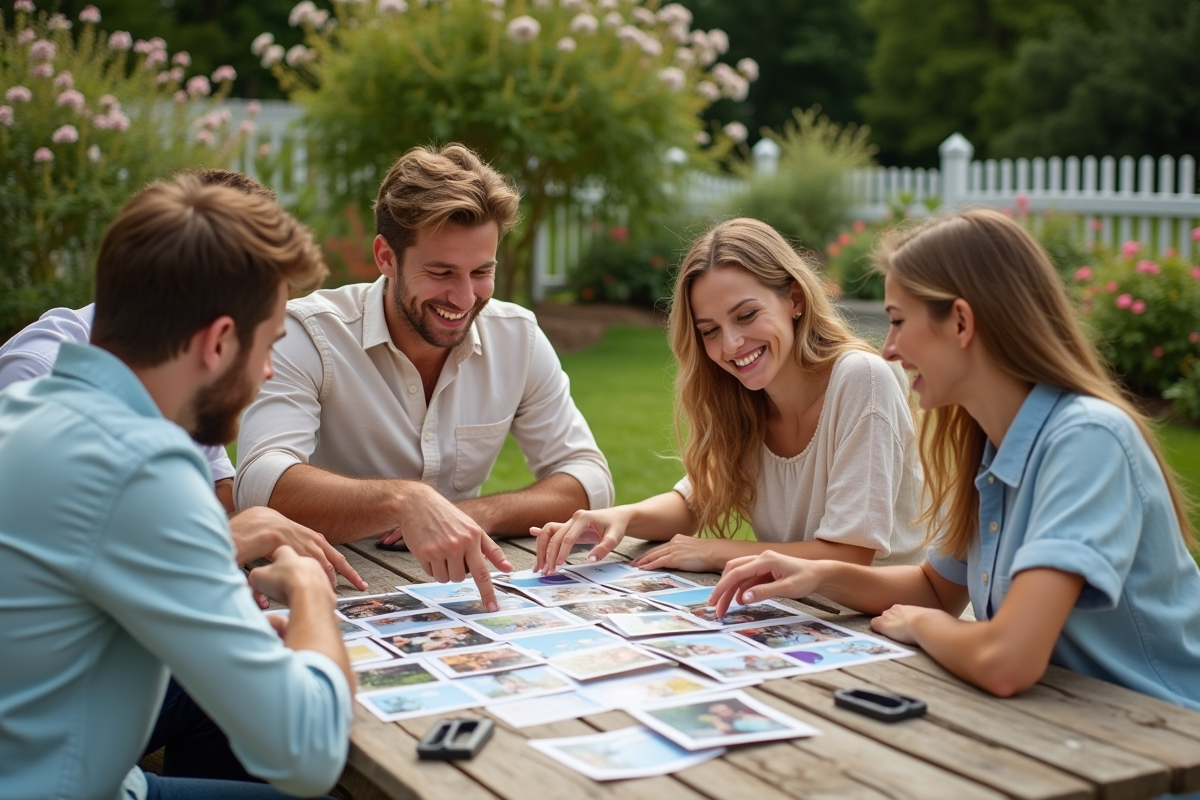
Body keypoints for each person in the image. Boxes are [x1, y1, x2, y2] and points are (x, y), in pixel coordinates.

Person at [709, 209, 1200, 709]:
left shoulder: (1087, 441)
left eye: (898, 321)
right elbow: (936, 588)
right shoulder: (990, 443)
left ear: (961, 322)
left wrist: (923, 625)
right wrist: (815, 573)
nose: (891, 349)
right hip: (1062, 726)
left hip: (1163, 744)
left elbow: (1005, 660)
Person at [0, 176, 354, 799]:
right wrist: (308, 596)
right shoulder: (142, 464)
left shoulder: (28, 409)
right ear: (219, 341)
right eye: (268, 344)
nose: (270, 370)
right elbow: (310, 751)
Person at [235, 144, 613, 611]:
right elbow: (259, 483)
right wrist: (404, 500)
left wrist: (477, 512)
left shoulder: (518, 336)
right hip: (325, 590)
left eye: (482, 271)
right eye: (441, 272)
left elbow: (588, 478)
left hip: (454, 597)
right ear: (385, 257)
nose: (464, 296)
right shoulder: (306, 333)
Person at [0, 168, 366, 602]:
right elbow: (85, 557)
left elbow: (214, 495)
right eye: (266, 342)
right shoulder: (42, 378)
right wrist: (249, 557)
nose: (268, 369)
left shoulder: (177, 383)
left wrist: (265, 521)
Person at [535, 217, 924, 574]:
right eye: (710, 330)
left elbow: (849, 555)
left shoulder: (863, 378)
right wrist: (619, 518)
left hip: (885, 623)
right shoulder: (745, 398)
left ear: (795, 299)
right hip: (802, 610)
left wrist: (715, 551)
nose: (732, 344)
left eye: (746, 315)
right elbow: (695, 502)